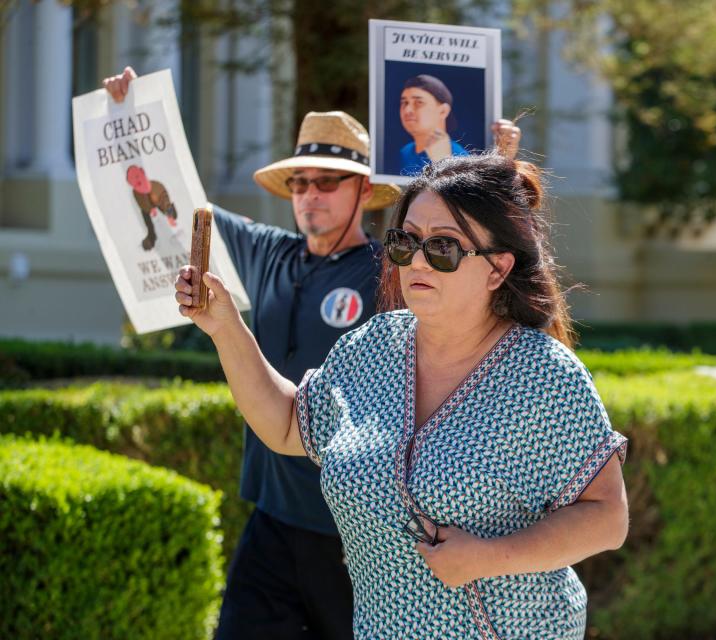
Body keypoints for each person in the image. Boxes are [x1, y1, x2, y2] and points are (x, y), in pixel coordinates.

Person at [104, 67, 522, 640]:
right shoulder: (265, 253)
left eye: (328, 181)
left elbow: (477, 266)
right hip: (271, 519)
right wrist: (128, 120)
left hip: (358, 534)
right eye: (300, 183)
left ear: (361, 192)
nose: (311, 195)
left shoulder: (397, 269)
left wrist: (500, 168)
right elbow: (175, 200)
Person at [174, 152, 629, 639]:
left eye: (443, 247)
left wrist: (487, 557)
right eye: (404, 241)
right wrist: (224, 326)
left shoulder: (544, 375)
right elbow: (287, 425)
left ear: (498, 268)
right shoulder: (371, 347)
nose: (416, 260)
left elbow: (607, 517)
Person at [398, 74, 469, 175]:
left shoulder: (461, 159)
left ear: (443, 111)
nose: (407, 110)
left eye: (418, 102)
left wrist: (443, 161)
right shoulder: (405, 153)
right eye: (404, 103)